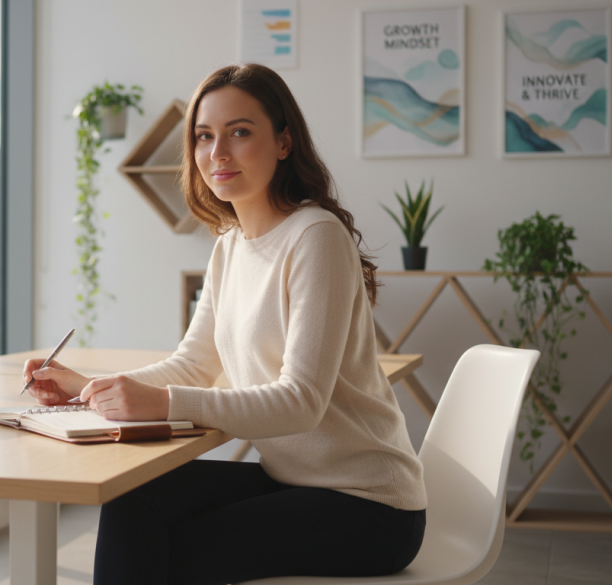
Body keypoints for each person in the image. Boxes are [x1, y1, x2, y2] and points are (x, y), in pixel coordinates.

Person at [22, 63, 427, 585]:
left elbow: (302, 401)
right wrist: (88, 388)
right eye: (204, 136)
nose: (218, 153)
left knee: (170, 554)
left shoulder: (316, 237)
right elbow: (194, 364)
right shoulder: (229, 246)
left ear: (284, 143)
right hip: (292, 481)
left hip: (369, 504)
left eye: (239, 132)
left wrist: (164, 404)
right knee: (131, 499)